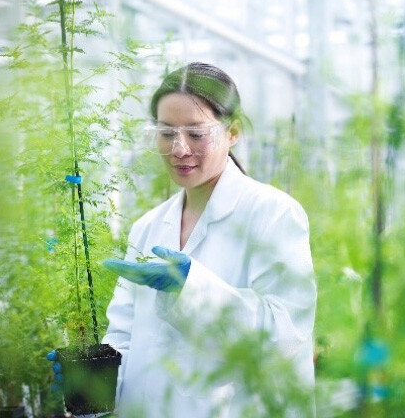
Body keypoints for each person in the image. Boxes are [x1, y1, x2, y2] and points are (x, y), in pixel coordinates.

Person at [94, 62, 316, 417]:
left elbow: (284, 335)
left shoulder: (273, 214)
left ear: (232, 133)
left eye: (196, 134)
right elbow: (124, 334)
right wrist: (97, 385)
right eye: (167, 133)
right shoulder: (147, 227)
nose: (179, 149)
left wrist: (192, 289)